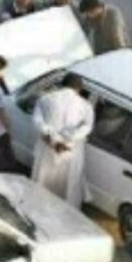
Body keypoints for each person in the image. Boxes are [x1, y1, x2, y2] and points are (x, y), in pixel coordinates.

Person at [30, 73, 94, 207]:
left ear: (62, 85)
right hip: (70, 150)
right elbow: (87, 127)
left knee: (43, 179)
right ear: (79, 89)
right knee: (68, 184)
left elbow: (36, 120)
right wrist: (69, 138)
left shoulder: (45, 99)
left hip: (47, 147)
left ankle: (39, 207)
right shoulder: (85, 106)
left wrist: (51, 136)